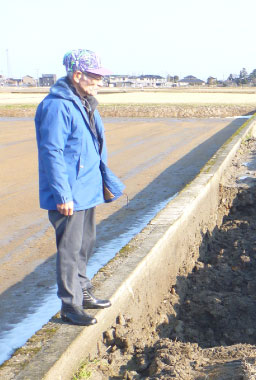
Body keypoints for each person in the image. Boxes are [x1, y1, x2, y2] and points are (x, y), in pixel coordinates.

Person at [35, 49, 125, 326]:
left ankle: (83, 292)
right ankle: (70, 306)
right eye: (96, 77)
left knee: (86, 244)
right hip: (69, 193)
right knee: (70, 249)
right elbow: (52, 151)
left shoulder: (84, 102)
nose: (100, 82)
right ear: (78, 75)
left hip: (86, 189)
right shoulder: (58, 106)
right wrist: (63, 195)